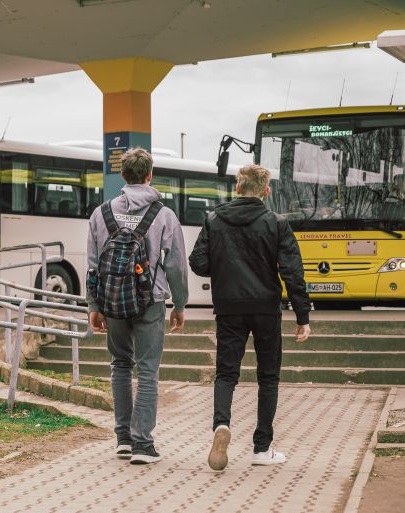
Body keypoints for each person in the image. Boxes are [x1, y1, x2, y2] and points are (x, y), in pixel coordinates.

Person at [189, 164, 311, 471]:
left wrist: (226, 264)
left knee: (226, 373)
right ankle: (261, 448)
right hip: (266, 308)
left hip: (229, 306)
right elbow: (292, 272)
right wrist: (302, 315)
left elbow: (198, 262)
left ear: (238, 189)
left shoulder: (214, 219)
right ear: (266, 191)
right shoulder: (276, 223)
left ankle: (221, 425)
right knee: (268, 376)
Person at [87, 147, 189, 465]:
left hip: (113, 302)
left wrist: (94, 305)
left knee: (120, 365)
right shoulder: (165, 216)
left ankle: (123, 439)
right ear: (150, 175)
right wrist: (180, 304)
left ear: (122, 175)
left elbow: (93, 265)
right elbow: (176, 266)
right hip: (150, 302)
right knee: (147, 370)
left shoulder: (100, 213)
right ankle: (142, 444)